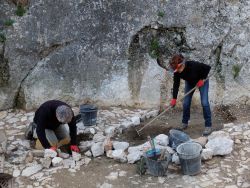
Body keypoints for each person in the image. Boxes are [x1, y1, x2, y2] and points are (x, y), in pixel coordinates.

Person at [169, 54, 212, 136]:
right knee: (186, 103)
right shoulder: (177, 72)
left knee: (204, 102)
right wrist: (174, 98)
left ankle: (208, 125)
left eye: (177, 69)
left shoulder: (193, 65)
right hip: (190, 82)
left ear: (181, 65)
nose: (176, 71)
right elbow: (176, 84)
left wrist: (202, 79)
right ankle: (184, 123)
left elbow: (207, 68)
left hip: (202, 81)